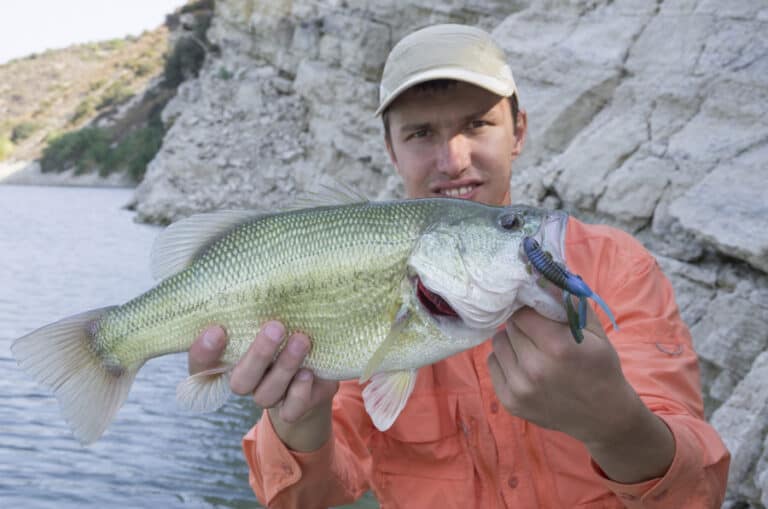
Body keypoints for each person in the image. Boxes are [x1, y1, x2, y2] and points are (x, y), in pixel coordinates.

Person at [188, 24, 730, 508]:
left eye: (477, 124)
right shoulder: (354, 271)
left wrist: (614, 424)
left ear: (517, 130)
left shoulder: (617, 269)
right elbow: (305, 500)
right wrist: (300, 418)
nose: (453, 159)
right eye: (421, 133)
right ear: (390, 149)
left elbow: (698, 495)